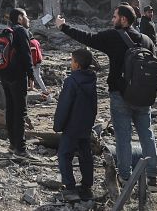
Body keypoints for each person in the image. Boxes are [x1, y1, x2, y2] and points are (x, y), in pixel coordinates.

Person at [55, 4, 157, 192]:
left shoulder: (113, 36)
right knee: (147, 135)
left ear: (124, 20)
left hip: (120, 96)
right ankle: (152, 178)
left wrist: (63, 26)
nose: (112, 20)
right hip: (144, 97)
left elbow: (87, 38)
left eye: (114, 17)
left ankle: (126, 177)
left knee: (123, 137)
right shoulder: (146, 40)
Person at [54, 48, 98, 202]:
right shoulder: (92, 79)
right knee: (85, 155)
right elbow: (95, 105)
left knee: (64, 154)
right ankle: (87, 187)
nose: (70, 63)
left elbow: (64, 105)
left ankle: (70, 188)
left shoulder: (71, 81)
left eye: (72, 60)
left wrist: (58, 125)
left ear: (77, 64)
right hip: (85, 125)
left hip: (72, 126)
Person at [0, 8, 35, 157]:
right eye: (26, 16)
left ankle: (13, 145)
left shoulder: (6, 32)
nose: (29, 19)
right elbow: (27, 55)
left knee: (11, 110)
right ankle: (21, 149)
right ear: (20, 18)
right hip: (18, 77)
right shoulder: (21, 31)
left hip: (5, 76)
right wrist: (31, 76)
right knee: (20, 112)